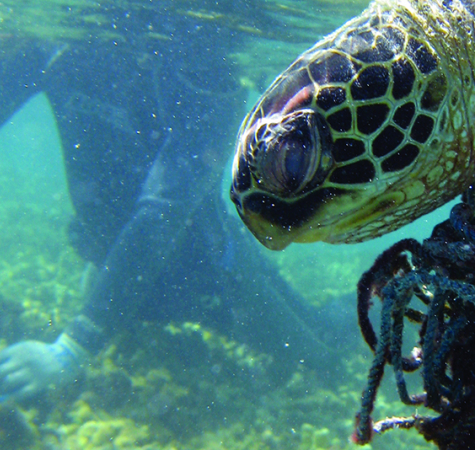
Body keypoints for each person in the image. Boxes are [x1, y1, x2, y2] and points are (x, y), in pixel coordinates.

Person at [0, 3, 353, 402]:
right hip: (117, 267)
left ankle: (388, 300)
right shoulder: (52, 44)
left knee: (322, 350)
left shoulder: (205, 72)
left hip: (205, 274)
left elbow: (164, 209)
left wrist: (73, 347)